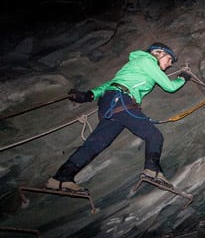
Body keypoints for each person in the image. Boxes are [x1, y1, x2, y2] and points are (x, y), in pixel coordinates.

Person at [45, 42, 190, 193]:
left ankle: (61, 178)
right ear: (159, 53)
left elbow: (112, 83)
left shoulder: (135, 64)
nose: (170, 65)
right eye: (169, 60)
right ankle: (153, 170)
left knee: (96, 144)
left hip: (112, 102)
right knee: (154, 136)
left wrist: (90, 94)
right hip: (122, 101)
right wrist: (183, 78)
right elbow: (170, 87)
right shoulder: (148, 61)